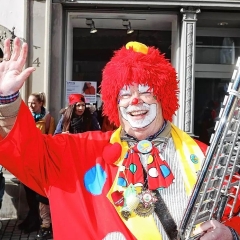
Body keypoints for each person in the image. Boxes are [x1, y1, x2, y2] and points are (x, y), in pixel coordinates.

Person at [0, 38, 239, 240]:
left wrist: (230, 232)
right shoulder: (81, 152)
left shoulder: (205, 157)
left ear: (163, 96)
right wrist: (8, 101)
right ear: (114, 103)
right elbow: (28, 153)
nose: (135, 101)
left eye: (145, 91)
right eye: (125, 94)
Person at [18, 92, 55, 239]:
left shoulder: (48, 119)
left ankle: (38, 221)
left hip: (40, 161)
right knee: (28, 192)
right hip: (26, 160)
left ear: (41, 103)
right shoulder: (24, 118)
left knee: (38, 194)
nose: (31, 105)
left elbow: (51, 140)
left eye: (34, 103)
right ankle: (31, 218)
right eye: (29, 103)